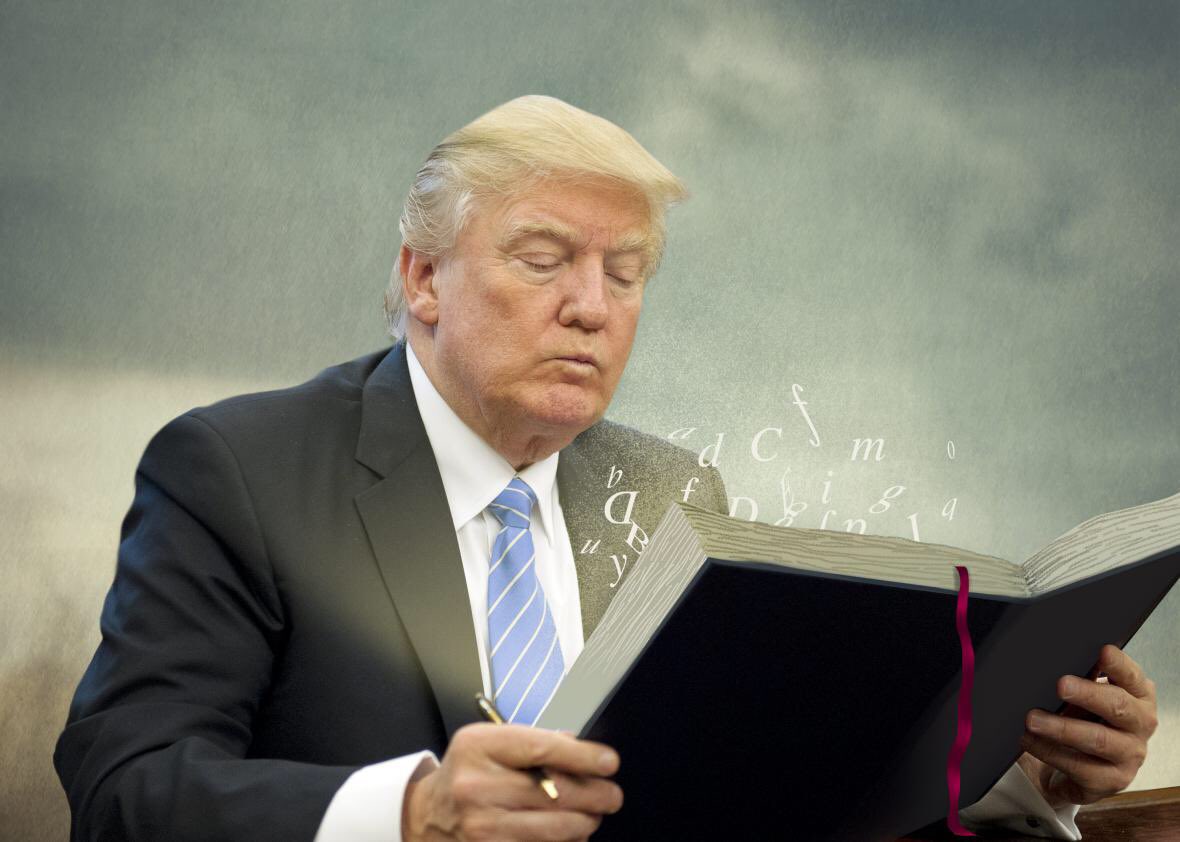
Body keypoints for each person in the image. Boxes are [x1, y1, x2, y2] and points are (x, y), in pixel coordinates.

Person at [54, 96, 1157, 842]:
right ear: (423, 277)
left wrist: (1022, 774)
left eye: (624, 274)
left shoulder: (675, 494)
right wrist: (414, 814)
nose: (591, 305)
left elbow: (765, 789)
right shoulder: (236, 469)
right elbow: (123, 789)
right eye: (543, 259)